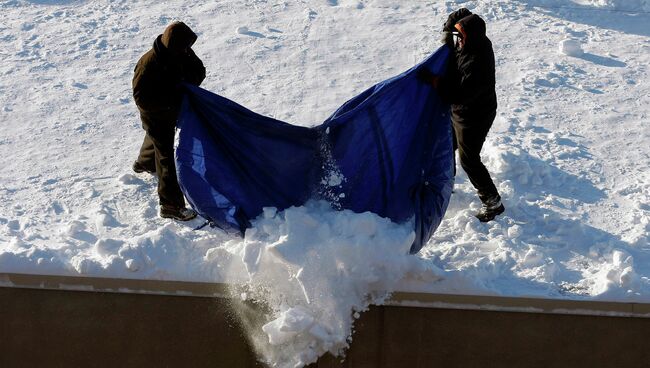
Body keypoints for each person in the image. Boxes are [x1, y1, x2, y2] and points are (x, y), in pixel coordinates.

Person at [419, 9, 505, 222]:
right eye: (456, 36)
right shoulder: (471, 40)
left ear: (470, 38)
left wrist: (435, 81)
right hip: (460, 112)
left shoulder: (476, 62)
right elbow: (462, 14)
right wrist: (450, 31)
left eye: (459, 37)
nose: (455, 41)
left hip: (474, 116)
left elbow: (459, 94)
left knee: (469, 159)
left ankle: (493, 203)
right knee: (447, 145)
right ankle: (447, 183)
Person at [132, 21, 206, 221]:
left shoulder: (180, 51)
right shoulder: (148, 65)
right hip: (155, 114)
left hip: (171, 110)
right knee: (167, 156)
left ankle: (145, 163)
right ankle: (170, 205)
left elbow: (199, 71)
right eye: (185, 47)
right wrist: (173, 100)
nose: (188, 50)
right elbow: (142, 99)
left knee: (155, 139)